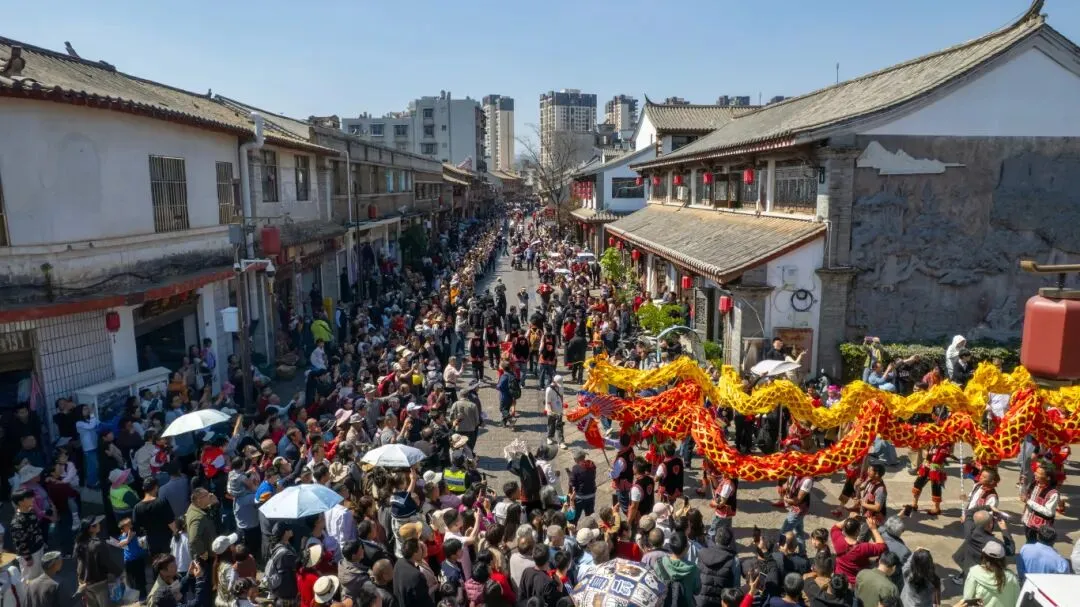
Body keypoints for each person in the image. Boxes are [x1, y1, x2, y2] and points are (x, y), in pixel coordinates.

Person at [75, 515, 123, 607]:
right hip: (99, 582)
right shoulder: (98, 545)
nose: (99, 525)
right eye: (96, 524)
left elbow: (79, 563)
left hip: (84, 583)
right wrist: (120, 573)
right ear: (91, 529)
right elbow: (108, 563)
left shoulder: (79, 543)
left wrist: (80, 581)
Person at [962, 541, 1019, 607]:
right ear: (1003, 559)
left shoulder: (974, 573)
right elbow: (1017, 601)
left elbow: (967, 601)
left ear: (984, 556)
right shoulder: (1012, 577)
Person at [653, 533, 699, 607]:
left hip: (664, 604)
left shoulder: (659, 563)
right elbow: (697, 590)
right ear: (685, 548)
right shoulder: (693, 568)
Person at [1021, 460, 1060, 543]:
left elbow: (1049, 512)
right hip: (1028, 521)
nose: (1035, 474)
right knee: (1029, 542)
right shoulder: (1035, 484)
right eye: (1036, 472)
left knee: (1035, 545)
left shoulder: (1053, 494)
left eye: (1039, 473)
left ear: (1048, 477)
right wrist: (1023, 484)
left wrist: (1029, 501)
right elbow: (1025, 496)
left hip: (1040, 528)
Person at [393, 539, 435, 607]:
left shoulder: (399, 563)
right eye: (420, 548)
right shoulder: (417, 576)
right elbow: (424, 601)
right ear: (415, 553)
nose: (422, 550)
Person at [544, 375, 566, 449]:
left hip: (559, 409)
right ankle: (549, 437)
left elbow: (561, 396)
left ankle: (561, 441)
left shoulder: (561, 387)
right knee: (551, 425)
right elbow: (548, 402)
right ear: (554, 381)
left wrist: (562, 407)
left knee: (559, 426)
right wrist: (550, 411)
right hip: (551, 410)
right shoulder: (549, 390)